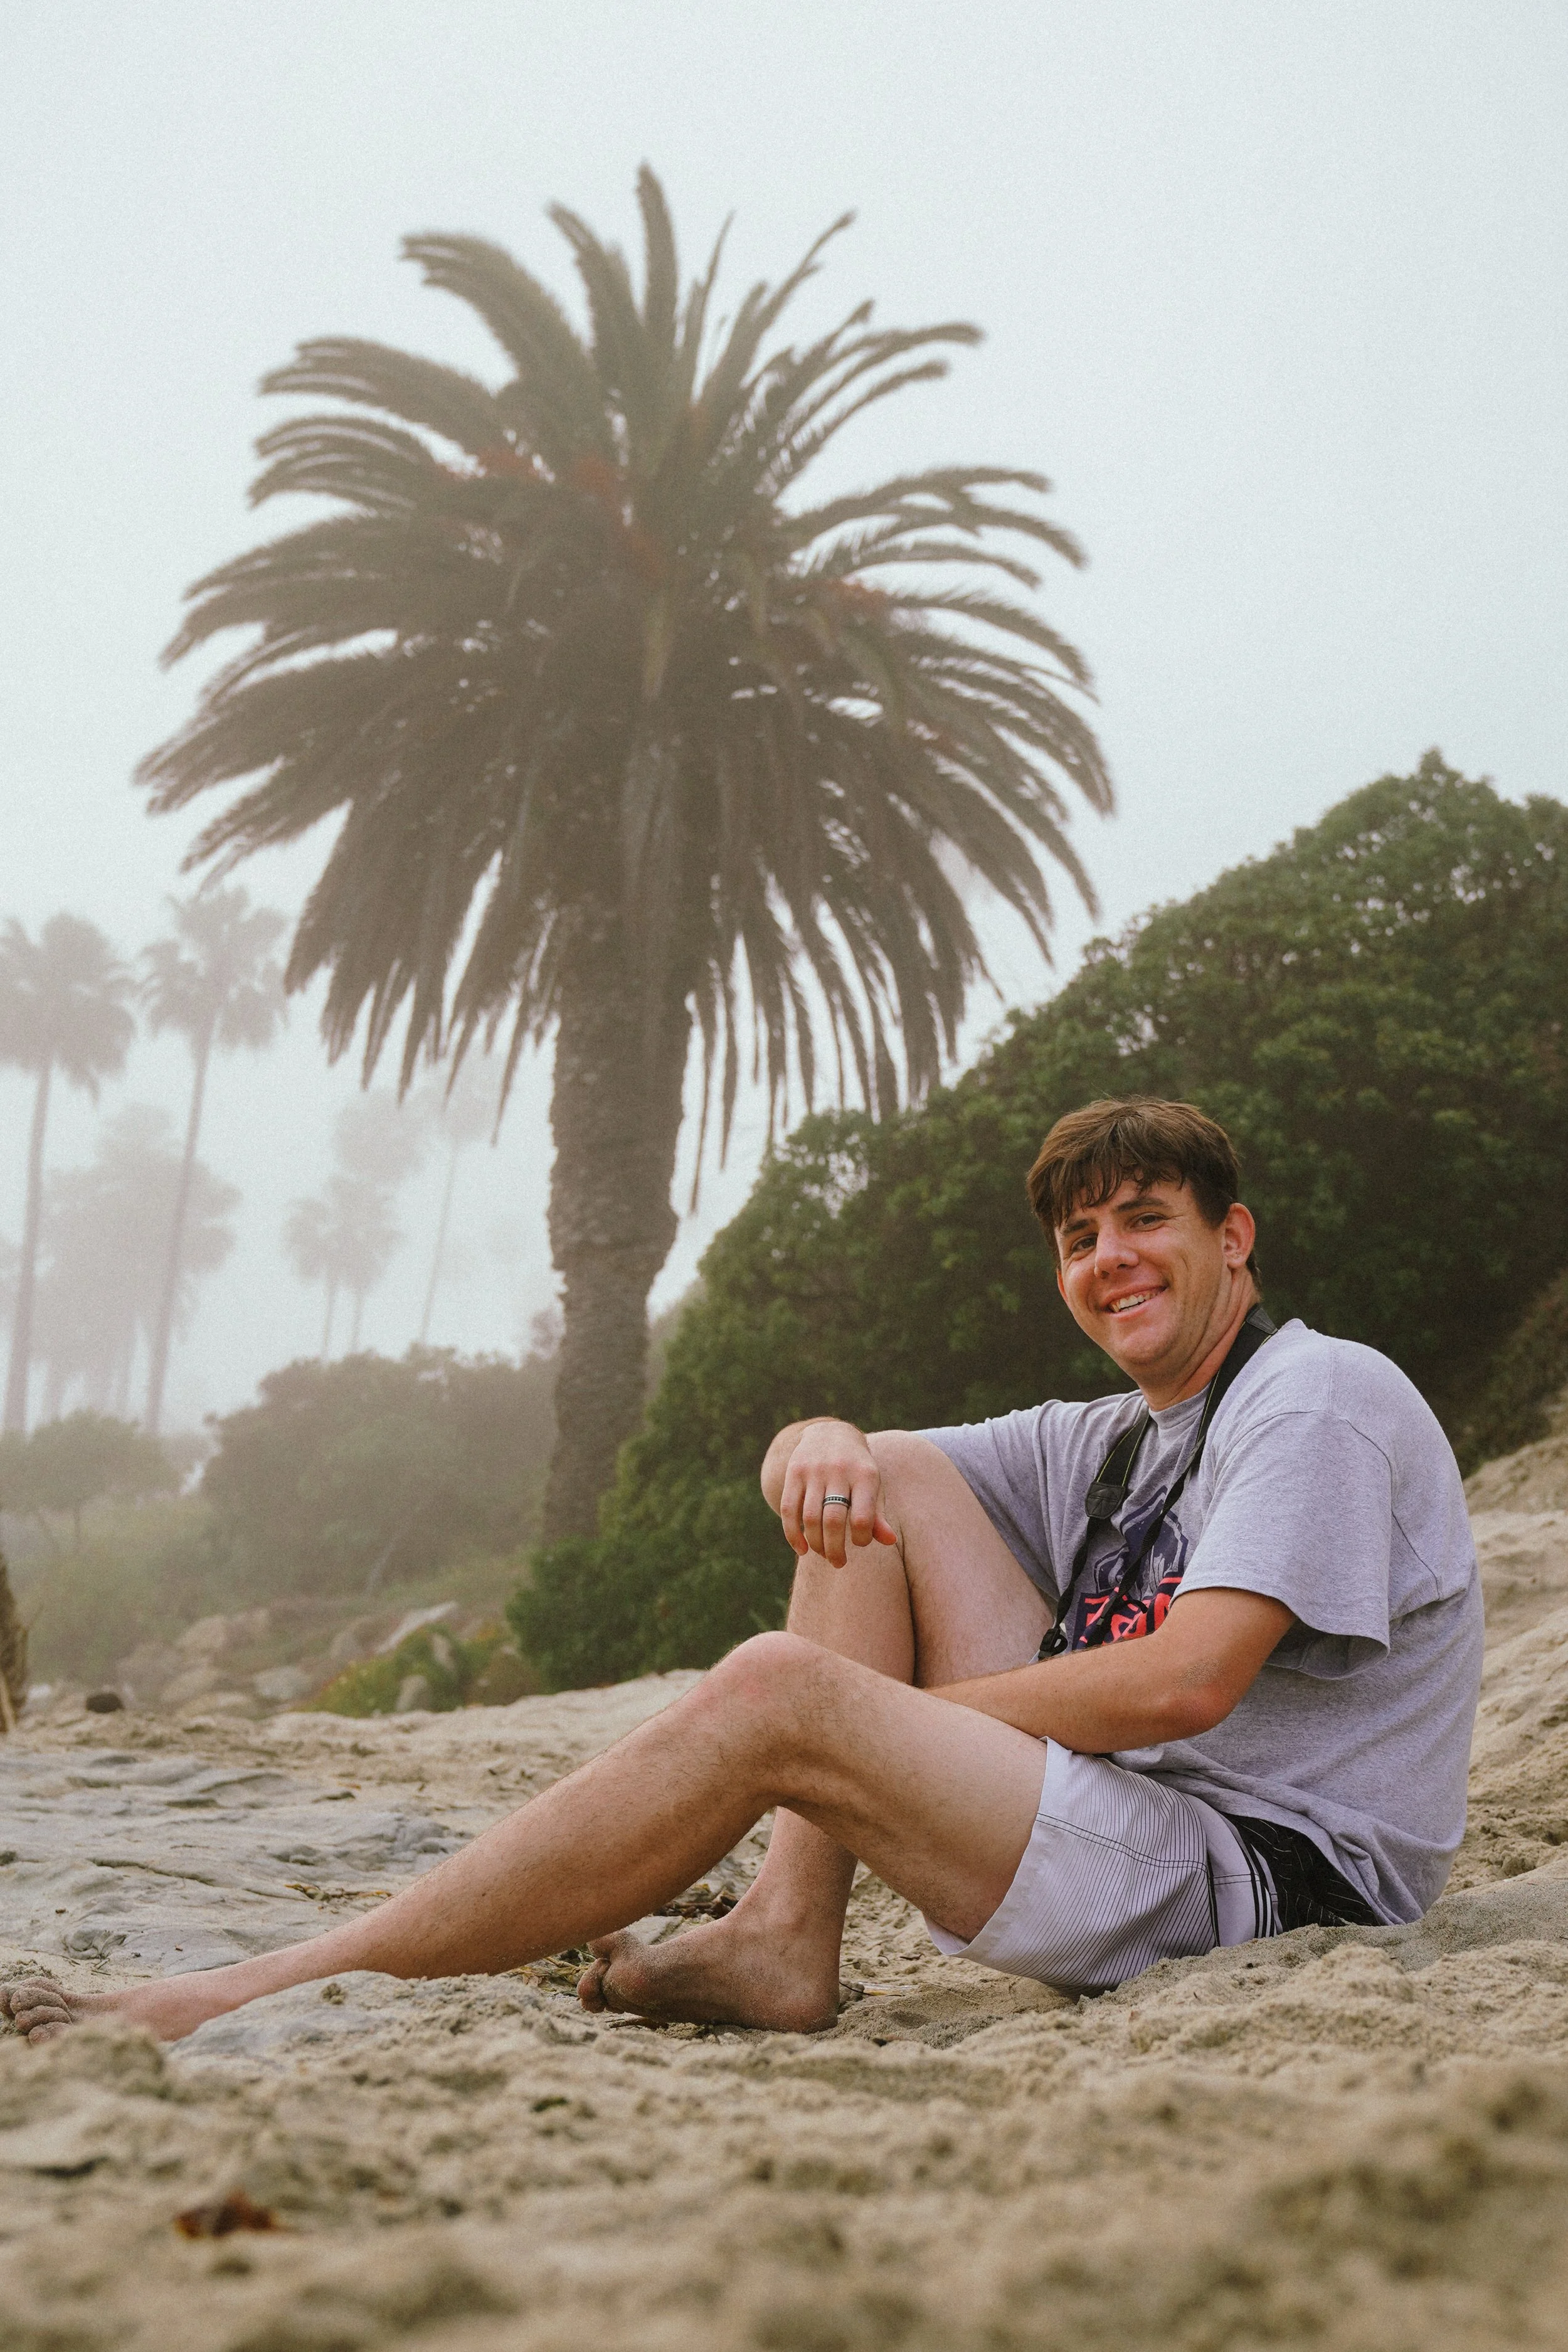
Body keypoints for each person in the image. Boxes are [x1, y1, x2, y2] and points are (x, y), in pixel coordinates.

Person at [1, 1097, 1481, 2047]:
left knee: (782, 1688)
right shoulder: (1113, 1435)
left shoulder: (1315, 1397)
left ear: (1233, 1239)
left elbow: (1185, 1681)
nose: (1110, 1258)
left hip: (1274, 1886)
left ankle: (250, 1986)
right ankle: (783, 1931)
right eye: (1078, 1237)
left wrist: (875, 1723)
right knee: (880, 1485)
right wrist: (815, 1435)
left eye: (1145, 1220)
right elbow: (874, 1464)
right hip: (1139, 1831)